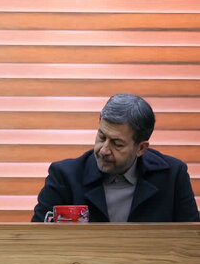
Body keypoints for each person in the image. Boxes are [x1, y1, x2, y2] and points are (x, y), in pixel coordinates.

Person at [32, 93, 198, 223]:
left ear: (141, 148)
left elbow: (192, 242)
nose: (104, 150)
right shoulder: (64, 176)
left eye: (117, 144)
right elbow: (37, 241)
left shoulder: (172, 176)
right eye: (102, 137)